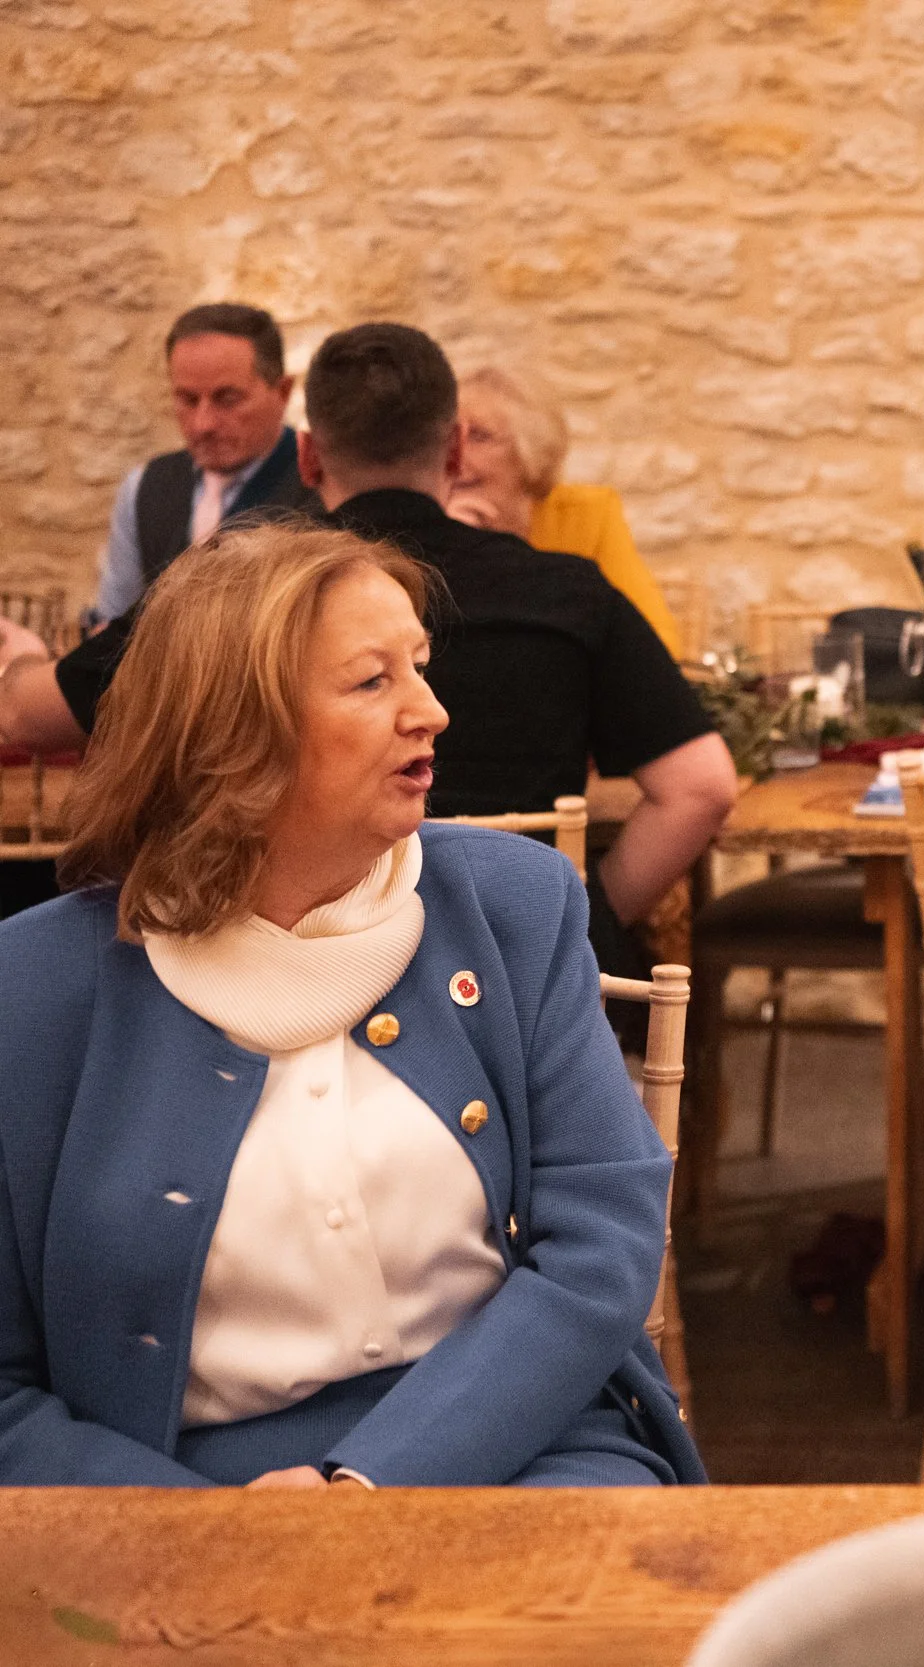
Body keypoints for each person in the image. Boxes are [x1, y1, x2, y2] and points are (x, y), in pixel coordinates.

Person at [0, 523, 703, 1485]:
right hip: (180, 1494)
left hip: (518, 1444)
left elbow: (601, 1247)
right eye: (374, 682)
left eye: (418, 666)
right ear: (234, 732)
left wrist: (368, 1483)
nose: (433, 712)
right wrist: (206, 1531)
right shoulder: (36, 986)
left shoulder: (510, 906)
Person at [0, 324, 735, 946]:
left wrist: (25, 658)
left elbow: (25, 718)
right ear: (453, 452)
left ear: (309, 456)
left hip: (275, 972)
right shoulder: (571, 592)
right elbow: (700, 789)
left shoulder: (230, 590)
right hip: (502, 968)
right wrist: (579, 923)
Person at [91, 303, 322, 620]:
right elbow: (110, 623)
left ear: (282, 392)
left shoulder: (321, 484)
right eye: (187, 399)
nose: (203, 424)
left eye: (227, 399)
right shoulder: (144, 486)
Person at [445, 365, 684, 657]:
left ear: (530, 449)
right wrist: (451, 542)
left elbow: (656, 643)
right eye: (449, 436)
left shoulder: (586, 517)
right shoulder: (425, 519)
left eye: (479, 437)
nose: (455, 455)